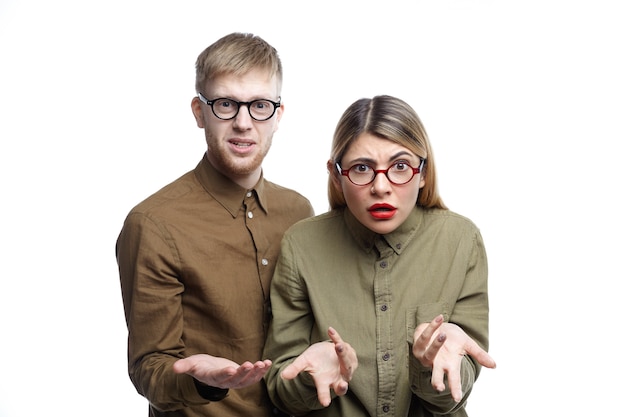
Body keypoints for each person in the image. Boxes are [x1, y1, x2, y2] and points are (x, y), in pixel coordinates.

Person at [116, 32, 315, 417]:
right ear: (199, 111)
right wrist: (201, 380)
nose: (243, 122)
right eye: (226, 104)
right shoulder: (154, 224)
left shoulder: (300, 211)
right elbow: (149, 368)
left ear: (278, 115)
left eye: (259, 105)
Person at [263, 95, 496, 416]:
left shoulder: (461, 239)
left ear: (423, 173)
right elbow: (280, 389)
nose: (381, 186)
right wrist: (308, 378)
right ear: (336, 175)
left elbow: (452, 397)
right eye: (362, 168)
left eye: (400, 166)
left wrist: (431, 364)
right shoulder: (301, 244)